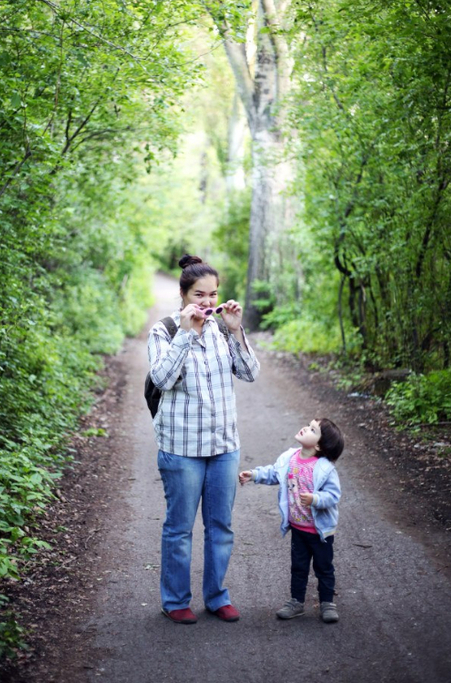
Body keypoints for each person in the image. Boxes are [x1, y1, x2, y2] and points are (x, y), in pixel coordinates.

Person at [148, 254, 260, 624]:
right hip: (181, 449)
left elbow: (249, 373)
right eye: (200, 293)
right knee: (179, 529)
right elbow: (162, 380)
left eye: (213, 294)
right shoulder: (163, 331)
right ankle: (176, 600)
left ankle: (216, 596)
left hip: (224, 446)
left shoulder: (221, 329)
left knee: (221, 527)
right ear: (182, 293)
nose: (208, 302)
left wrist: (235, 328)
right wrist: (186, 333)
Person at [239, 418, 344, 623]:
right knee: (298, 567)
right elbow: (273, 473)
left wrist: (315, 499)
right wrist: (254, 475)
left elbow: (333, 495)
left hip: (320, 530)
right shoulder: (290, 458)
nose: (306, 428)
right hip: (298, 528)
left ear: (319, 445)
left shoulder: (324, 468)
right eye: (309, 424)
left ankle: (327, 603)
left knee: (324, 567)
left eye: (313, 429)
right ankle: (296, 602)